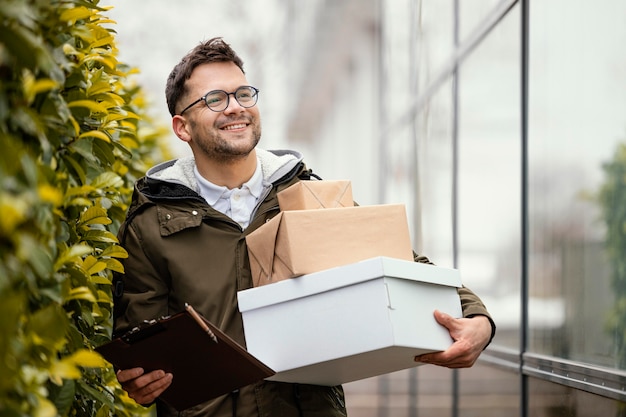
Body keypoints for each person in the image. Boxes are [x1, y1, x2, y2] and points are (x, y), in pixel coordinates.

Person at [113, 37, 496, 417]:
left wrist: (477, 318)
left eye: (243, 94)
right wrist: (137, 380)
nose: (236, 108)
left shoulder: (310, 196)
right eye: (215, 99)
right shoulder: (151, 225)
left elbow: (399, 263)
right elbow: (140, 343)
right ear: (183, 127)